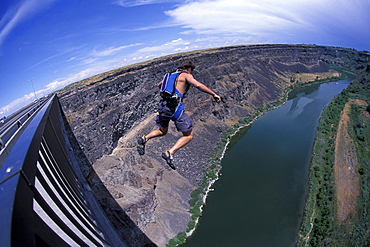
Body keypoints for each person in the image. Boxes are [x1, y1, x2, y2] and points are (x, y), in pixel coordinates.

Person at [137, 61, 221, 170]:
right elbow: (198, 85)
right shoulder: (186, 75)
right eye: (192, 70)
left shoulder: (171, 75)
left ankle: (145, 138)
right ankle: (170, 153)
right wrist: (213, 94)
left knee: (163, 131)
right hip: (174, 106)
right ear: (188, 68)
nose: (192, 72)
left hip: (163, 105)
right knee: (189, 135)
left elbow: (159, 85)